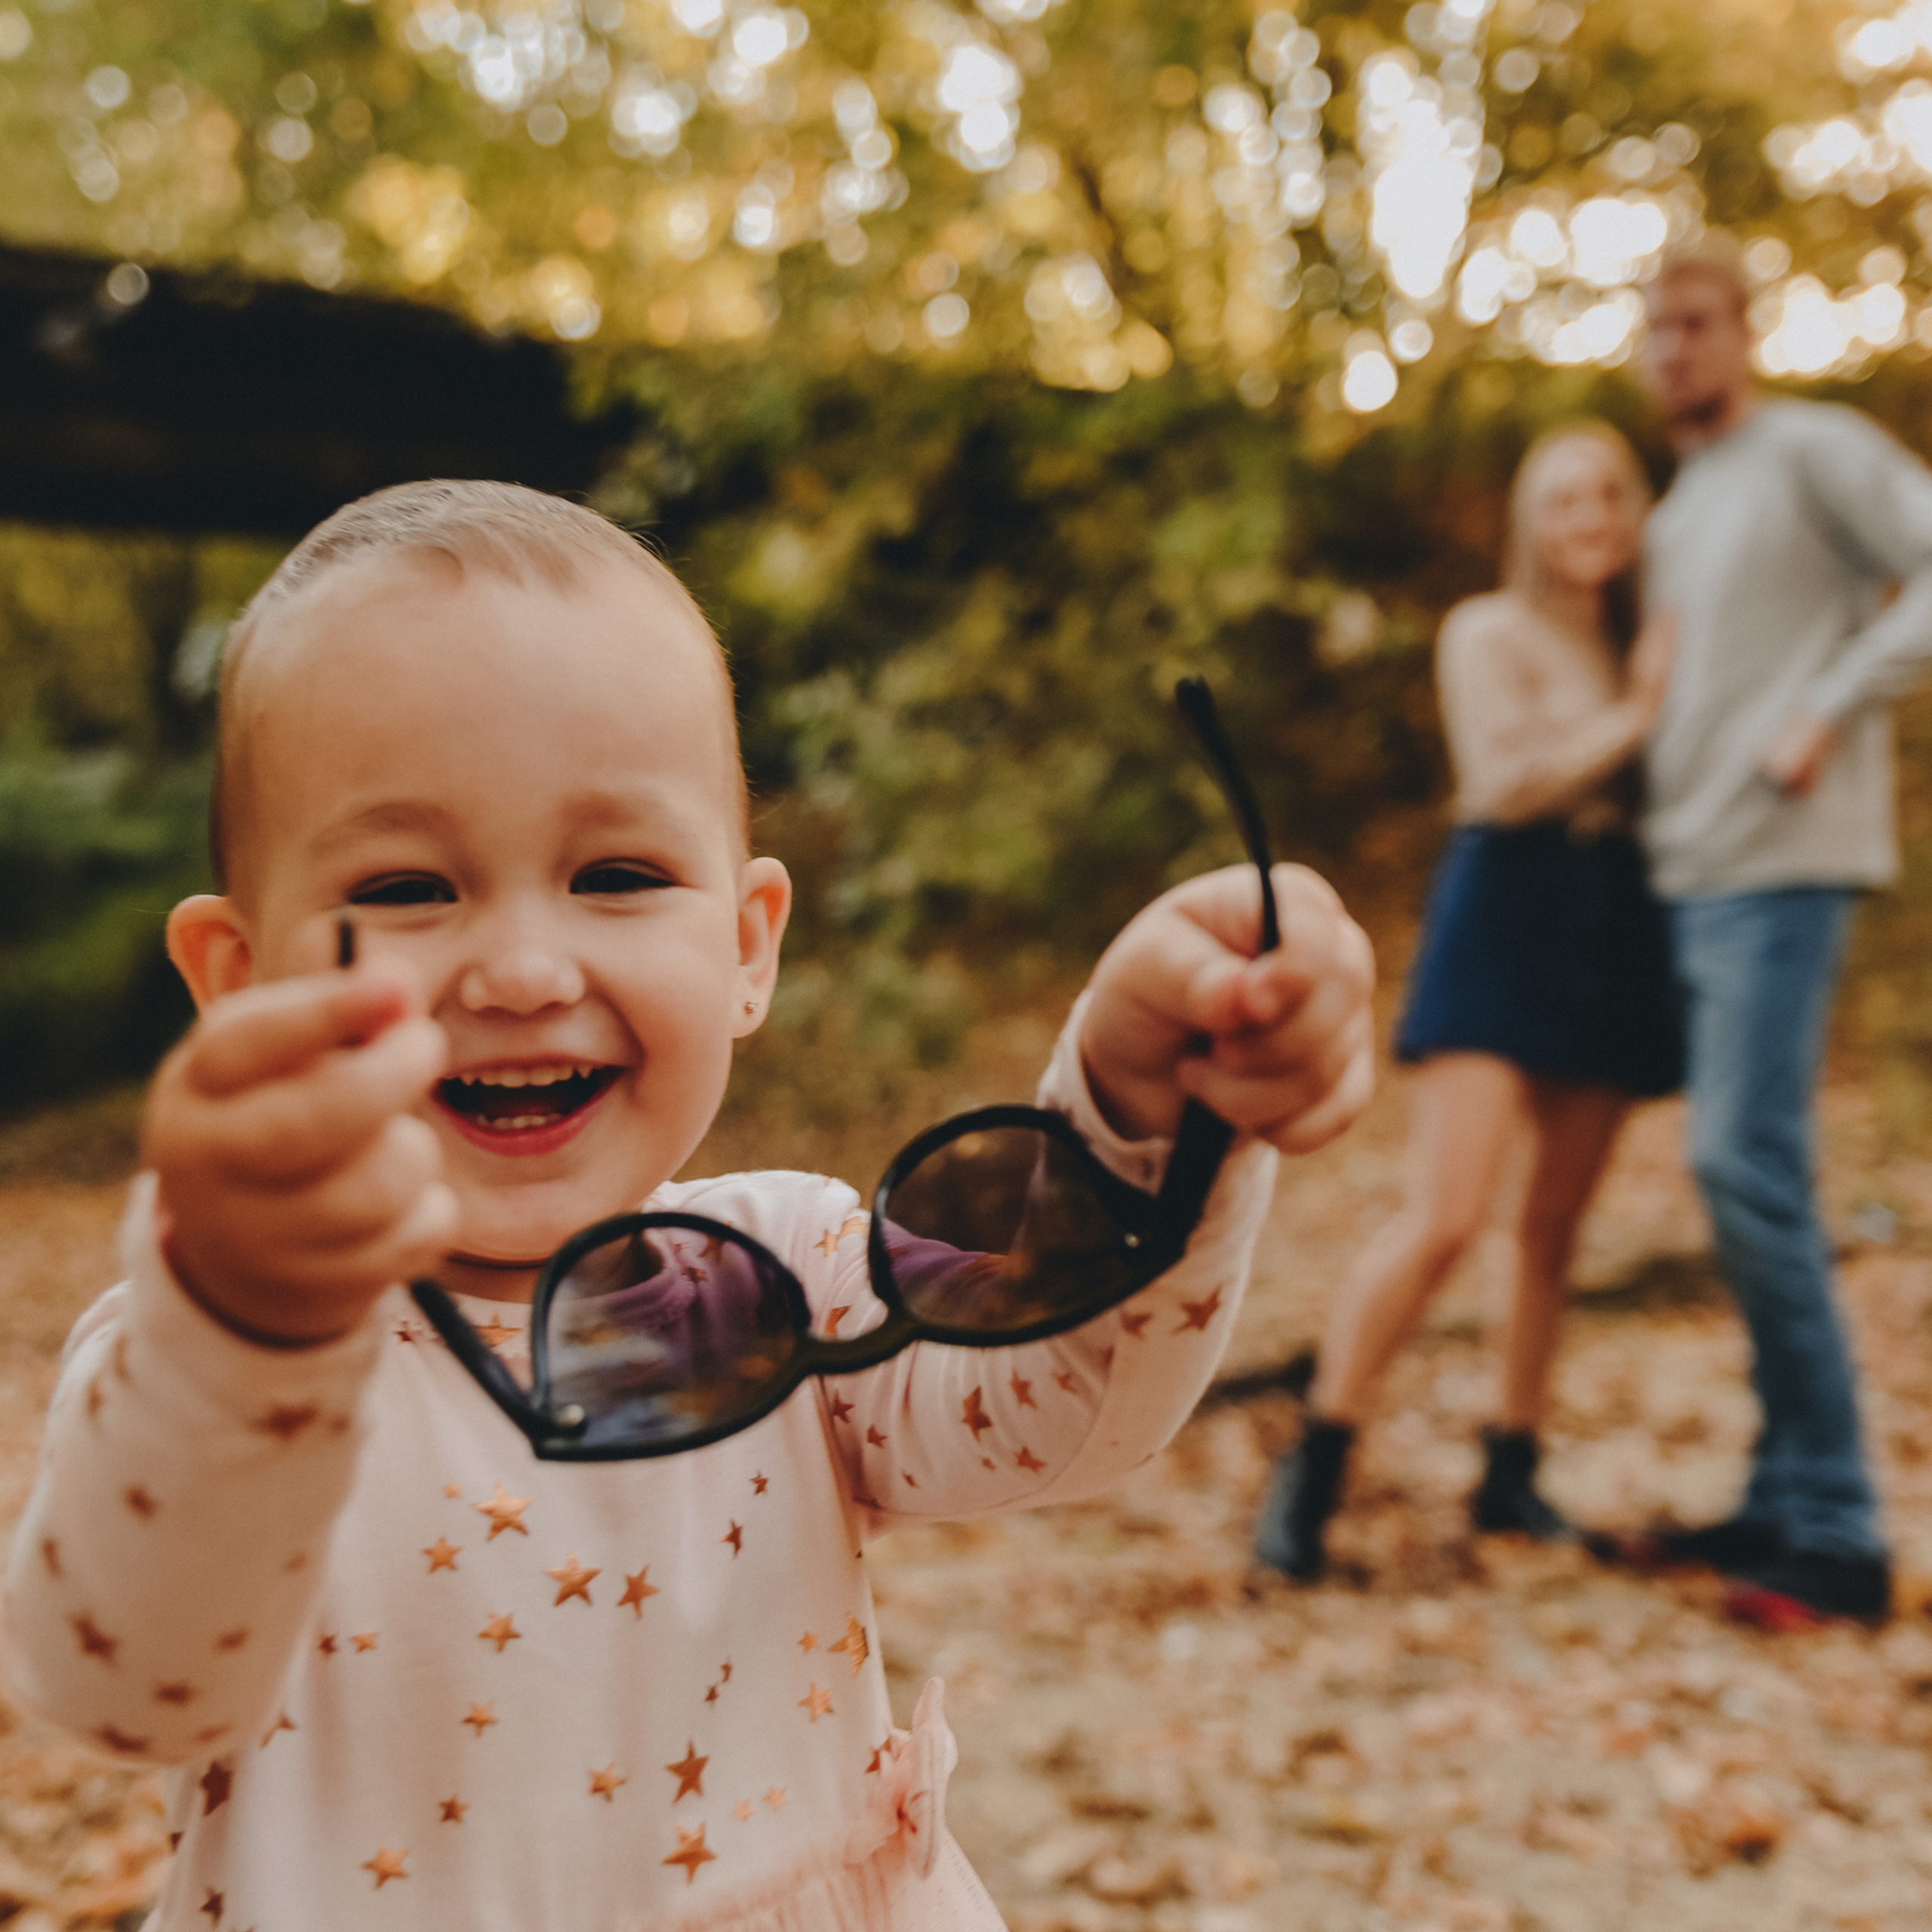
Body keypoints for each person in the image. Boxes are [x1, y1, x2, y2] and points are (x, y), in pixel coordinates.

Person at [0, 480, 1375, 1930]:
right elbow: (124, 1687)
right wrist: (244, 1329)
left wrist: (1144, 1106)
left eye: (616, 874)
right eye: (406, 887)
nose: (523, 970)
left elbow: (1063, 1402)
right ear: (239, 980)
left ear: (745, 946)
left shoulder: (786, 1274)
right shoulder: (197, 1355)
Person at [1254, 423, 1681, 1583]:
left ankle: (1512, 1470)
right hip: (1507, 915)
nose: (1590, 519)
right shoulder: (1486, 631)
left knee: (1554, 1229)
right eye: (1565, 500)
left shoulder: (1647, 640)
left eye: (1608, 496)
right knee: (1446, 1215)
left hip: (1617, 923)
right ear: (1532, 521)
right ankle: (1315, 1464)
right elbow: (1505, 781)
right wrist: (1638, 716)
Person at [1624, 246, 1932, 1626]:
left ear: (1746, 331)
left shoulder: (1815, 449)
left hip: (1785, 869)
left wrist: (1828, 704)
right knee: (1750, 1181)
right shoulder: (1680, 504)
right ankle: (1778, 1493)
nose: (1674, 349)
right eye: (1655, 328)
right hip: (1691, 875)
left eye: (1696, 324)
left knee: (1740, 1164)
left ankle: (1840, 1529)